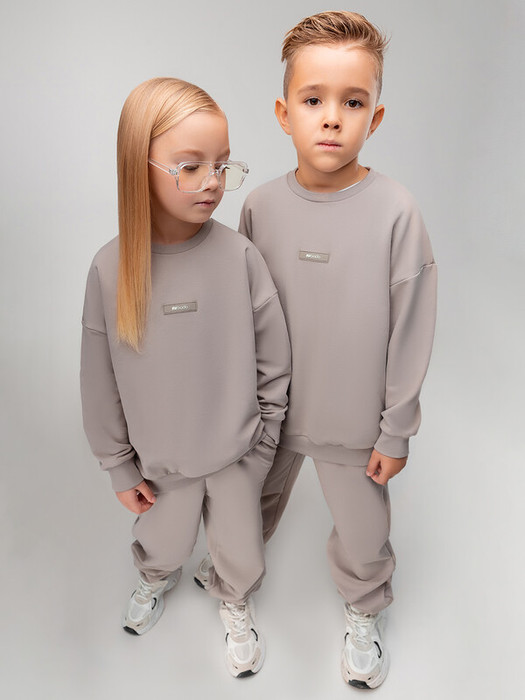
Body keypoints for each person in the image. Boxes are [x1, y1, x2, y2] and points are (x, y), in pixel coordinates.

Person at [197, 10, 437, 689]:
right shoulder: (259, 208)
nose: (331, 118)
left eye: (352, 102)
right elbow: (239, 314)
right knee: (243, 512)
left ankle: (364, 610)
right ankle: (230, 586)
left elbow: (412, 326)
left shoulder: (395, 211)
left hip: (353, 422)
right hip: (266, 415)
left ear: (375, 117)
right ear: (283, 113)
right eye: (313, 100)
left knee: (363, 534)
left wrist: (396, 427)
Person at [80, 77, 291, 678]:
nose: (213, 181)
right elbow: (98, 380)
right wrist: (118, 465)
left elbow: (274, 356)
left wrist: (264, 440)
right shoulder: (110, 269)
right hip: (160, 463)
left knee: (240, 547)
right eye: (190, 166)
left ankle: (234, 598)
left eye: (222, 165)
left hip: (236, 453)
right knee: (163, 542)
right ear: (138, 166)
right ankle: (155, 578)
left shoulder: (239, 256)